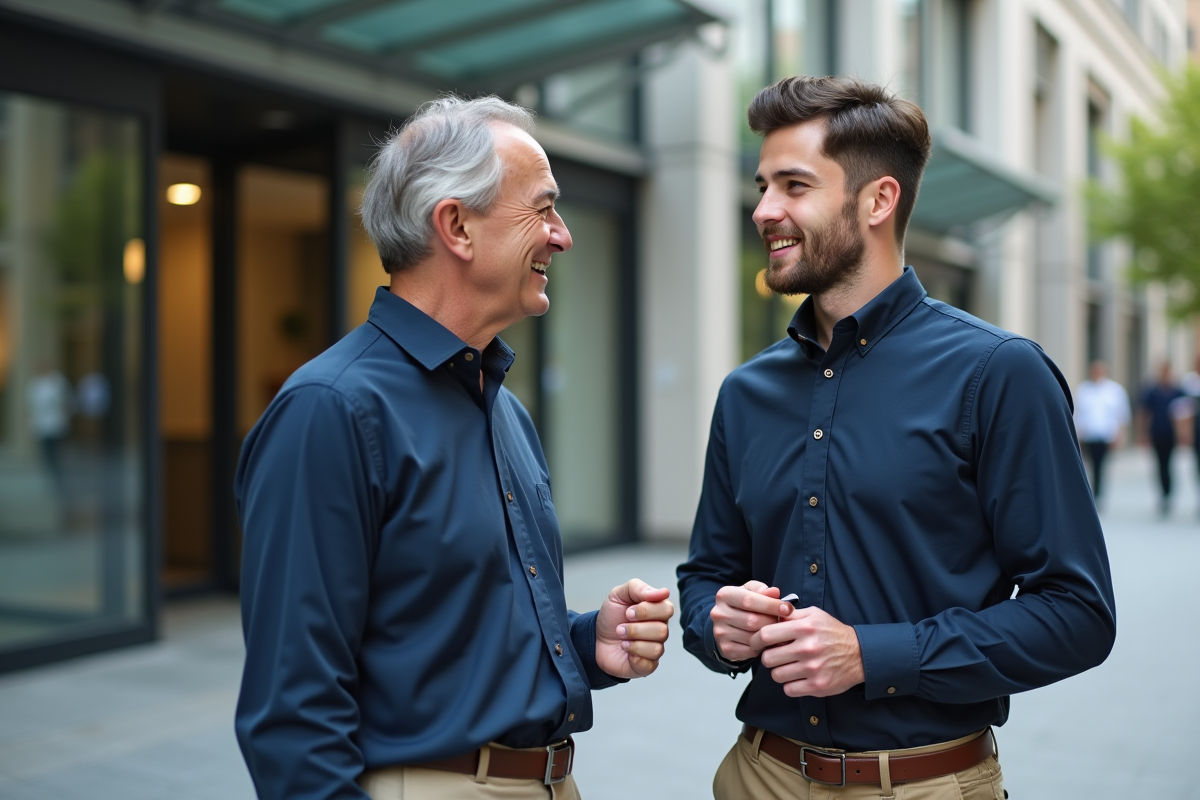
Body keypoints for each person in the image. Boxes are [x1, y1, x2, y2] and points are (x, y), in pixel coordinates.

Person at [677, 76, 1116, 800]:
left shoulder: (997, 373)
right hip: (758, 776)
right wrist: (716, 625)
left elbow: (1077, 614)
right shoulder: (744, 393)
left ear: (878, 200)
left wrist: (874, 654)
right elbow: (705, 574)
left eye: (793, 185)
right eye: (762, 186)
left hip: (925, 784)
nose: (763, 210)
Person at [235, 96, 674, 800]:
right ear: (457, 226)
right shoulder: (330, 413)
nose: (562, 235)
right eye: (542, 208)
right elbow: (293, 714)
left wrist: (589, 642)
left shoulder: (504, 410)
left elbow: (459, 628)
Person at [1074, 360, 1130, 503]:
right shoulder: (1083, 390)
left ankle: (1098, 494)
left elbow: (1121, 414)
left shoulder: (1114, 390)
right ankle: (1091, 491)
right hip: (1088, 435)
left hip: (1106, 435)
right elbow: (1077, 414)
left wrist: (1119, 434)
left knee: (1101, 465)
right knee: (1089, 465)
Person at [1138, 362, 1186, 517]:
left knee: (1169, 464)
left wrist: (1184, 433)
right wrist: (1143, 432)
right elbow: (1145, 412)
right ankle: (1163, 494)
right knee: (1159, 464)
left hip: (1171, 434)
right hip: (1157, 433)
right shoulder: (1152, 391)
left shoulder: (1178, 391)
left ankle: (1169, 493)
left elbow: (1184, 413)